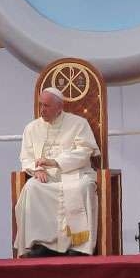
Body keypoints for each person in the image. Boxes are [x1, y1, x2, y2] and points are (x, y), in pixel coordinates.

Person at [14, 87, 100, 257]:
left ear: (59, 107)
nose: (42, 110)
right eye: (41, 105)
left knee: (82, 187)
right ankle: (41, 244)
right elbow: (26, 157)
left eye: (46, 106)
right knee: (32, 188)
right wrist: (36, 169)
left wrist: (55, 162)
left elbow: (84, 151)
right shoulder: (31, 128)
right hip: (46, 176)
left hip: (75, 174)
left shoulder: (78, 124)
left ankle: (79, 246)